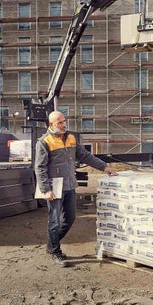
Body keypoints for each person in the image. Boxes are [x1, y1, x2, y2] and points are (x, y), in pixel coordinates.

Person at [36, 110, 117, 267]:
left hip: (69, 185)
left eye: (64, 121)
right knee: (54, 221)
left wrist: (104, 167)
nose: (63, 124)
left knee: (70, 218)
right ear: (51, 124)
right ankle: (55, 251)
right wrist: (45, 189)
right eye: (59, 122)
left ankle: (51, 245)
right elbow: (40, 168)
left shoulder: (71, 138)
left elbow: (85, 156)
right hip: (54, 188)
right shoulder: (44, 142)